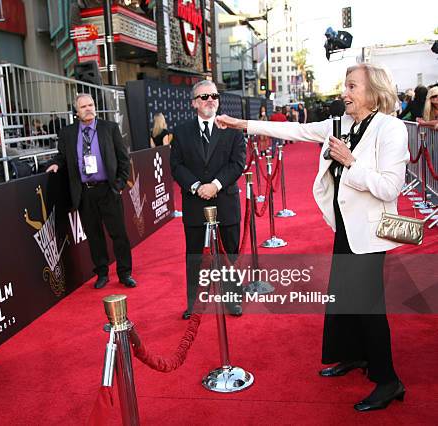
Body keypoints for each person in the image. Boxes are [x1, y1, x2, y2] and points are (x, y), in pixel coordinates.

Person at [215, 63, 407, 411]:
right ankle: (354, 356)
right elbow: (298, 129)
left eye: (351, 86)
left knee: (368, 306)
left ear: (374, 91)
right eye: (344, 86)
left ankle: (389, 380)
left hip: (370, 232)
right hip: (345, 228)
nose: (344, 93)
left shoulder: (391, 129)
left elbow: (390, 187)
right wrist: (241, 124)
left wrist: (350, 162)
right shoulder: (340, 124)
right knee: (344, 297)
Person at [170, 80, 246, 319]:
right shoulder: (181, 131)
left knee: (229, 255)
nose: (210, 100)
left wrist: (214, 185)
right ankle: (194, 303)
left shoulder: (231, 128)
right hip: (194, 205)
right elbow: (176, 165)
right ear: (194, 103)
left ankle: (232, 300)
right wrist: (196, 186)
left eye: (214, 95)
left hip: (225, 203)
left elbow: (237, 163)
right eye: (204, 97)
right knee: (194, 257)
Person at [46, 93, 136, 290]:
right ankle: (102, 273)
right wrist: (55, 164)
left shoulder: (109, 128)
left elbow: (123, 157)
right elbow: (62, 156)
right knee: (94, 236)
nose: (88, 108)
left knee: (119, 234)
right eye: (83, 106)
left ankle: (125, 273)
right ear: (76, 112)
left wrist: (119, 184)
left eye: (91, 105)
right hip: (84, 193)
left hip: (108, 189)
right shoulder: (68, 133)